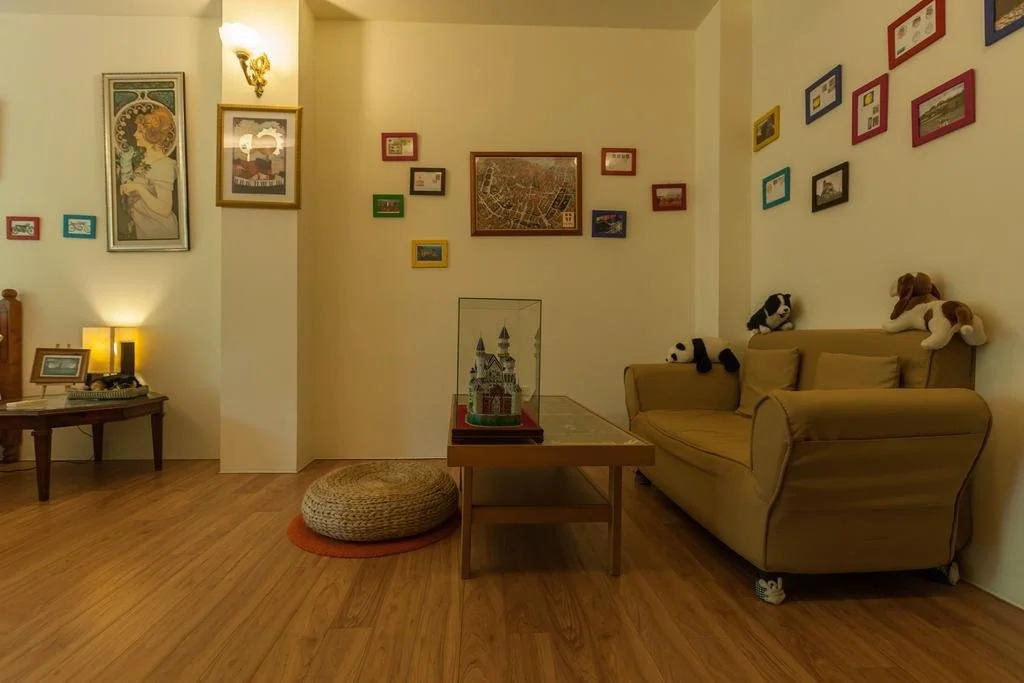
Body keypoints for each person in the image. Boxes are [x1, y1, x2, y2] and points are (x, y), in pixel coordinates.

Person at [119, 107, 179, 240]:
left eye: (140, 131)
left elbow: (165, 209)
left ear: (151, 135)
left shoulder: (164, 165)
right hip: (143, 231)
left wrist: (138, 188)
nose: (135, 134)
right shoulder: (142, 160)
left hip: (161, 231)